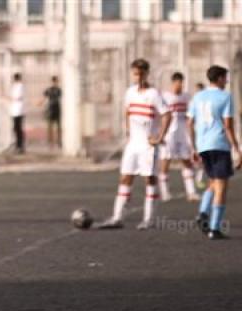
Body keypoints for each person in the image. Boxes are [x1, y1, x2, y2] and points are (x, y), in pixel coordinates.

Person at [98, 58, 172, 230]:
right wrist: (128, 130)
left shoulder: (154, 94)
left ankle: (149, 218)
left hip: (148, 145)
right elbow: (127, 111)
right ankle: (117, 217)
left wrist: (159, 137)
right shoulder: (130, 92)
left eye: (141, 74)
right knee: (125, 177)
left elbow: (167, 115)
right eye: (135, 74)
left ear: (147, 74)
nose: (138, 77)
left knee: (149, 179)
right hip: (133, 144)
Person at [188, 65, 241, 240]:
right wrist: (237, 148)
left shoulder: (198, 96)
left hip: (203, 146)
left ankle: (203, 212)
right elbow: (228, 125)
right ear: (219, 78)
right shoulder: (225, 96)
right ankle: (214, 228)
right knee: (221, 187)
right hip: (219, 145)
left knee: (213, 182)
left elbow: (189, 123)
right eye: (225, 77)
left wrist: (194, 147)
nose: (227, 81)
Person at [159, 72, 199, 202]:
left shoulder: (186, 97)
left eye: (181, 82)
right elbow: (161, 115)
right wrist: (161, 132)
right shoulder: (165, 96)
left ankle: (191, 192)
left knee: (186, 160)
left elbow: (190, 115)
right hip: (169, 132)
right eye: (177, 82)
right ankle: (165, 192)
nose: (179, 85)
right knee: (166, 161)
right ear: (173, 83)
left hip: (182, 132)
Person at [41, 76, 62, 149]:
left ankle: (59, 141)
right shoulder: (49, 90)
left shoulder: (59, 90)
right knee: (50, 127)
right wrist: (41, 102)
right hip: (51, 109)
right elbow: (44, 97)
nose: (55, 83)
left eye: (56, 81)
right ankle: (51, 142)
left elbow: (60, 98)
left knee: (58, 126)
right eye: (54, 81)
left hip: (57, 109)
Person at [10, 73, 25, 154]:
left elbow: (18, 97)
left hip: (19, 110)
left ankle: (20, 146)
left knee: (18, 129)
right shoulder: (14, 86)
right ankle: (18, 145)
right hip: (14, 111)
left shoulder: (20, 86)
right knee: (16, 128)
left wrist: (10, 98)